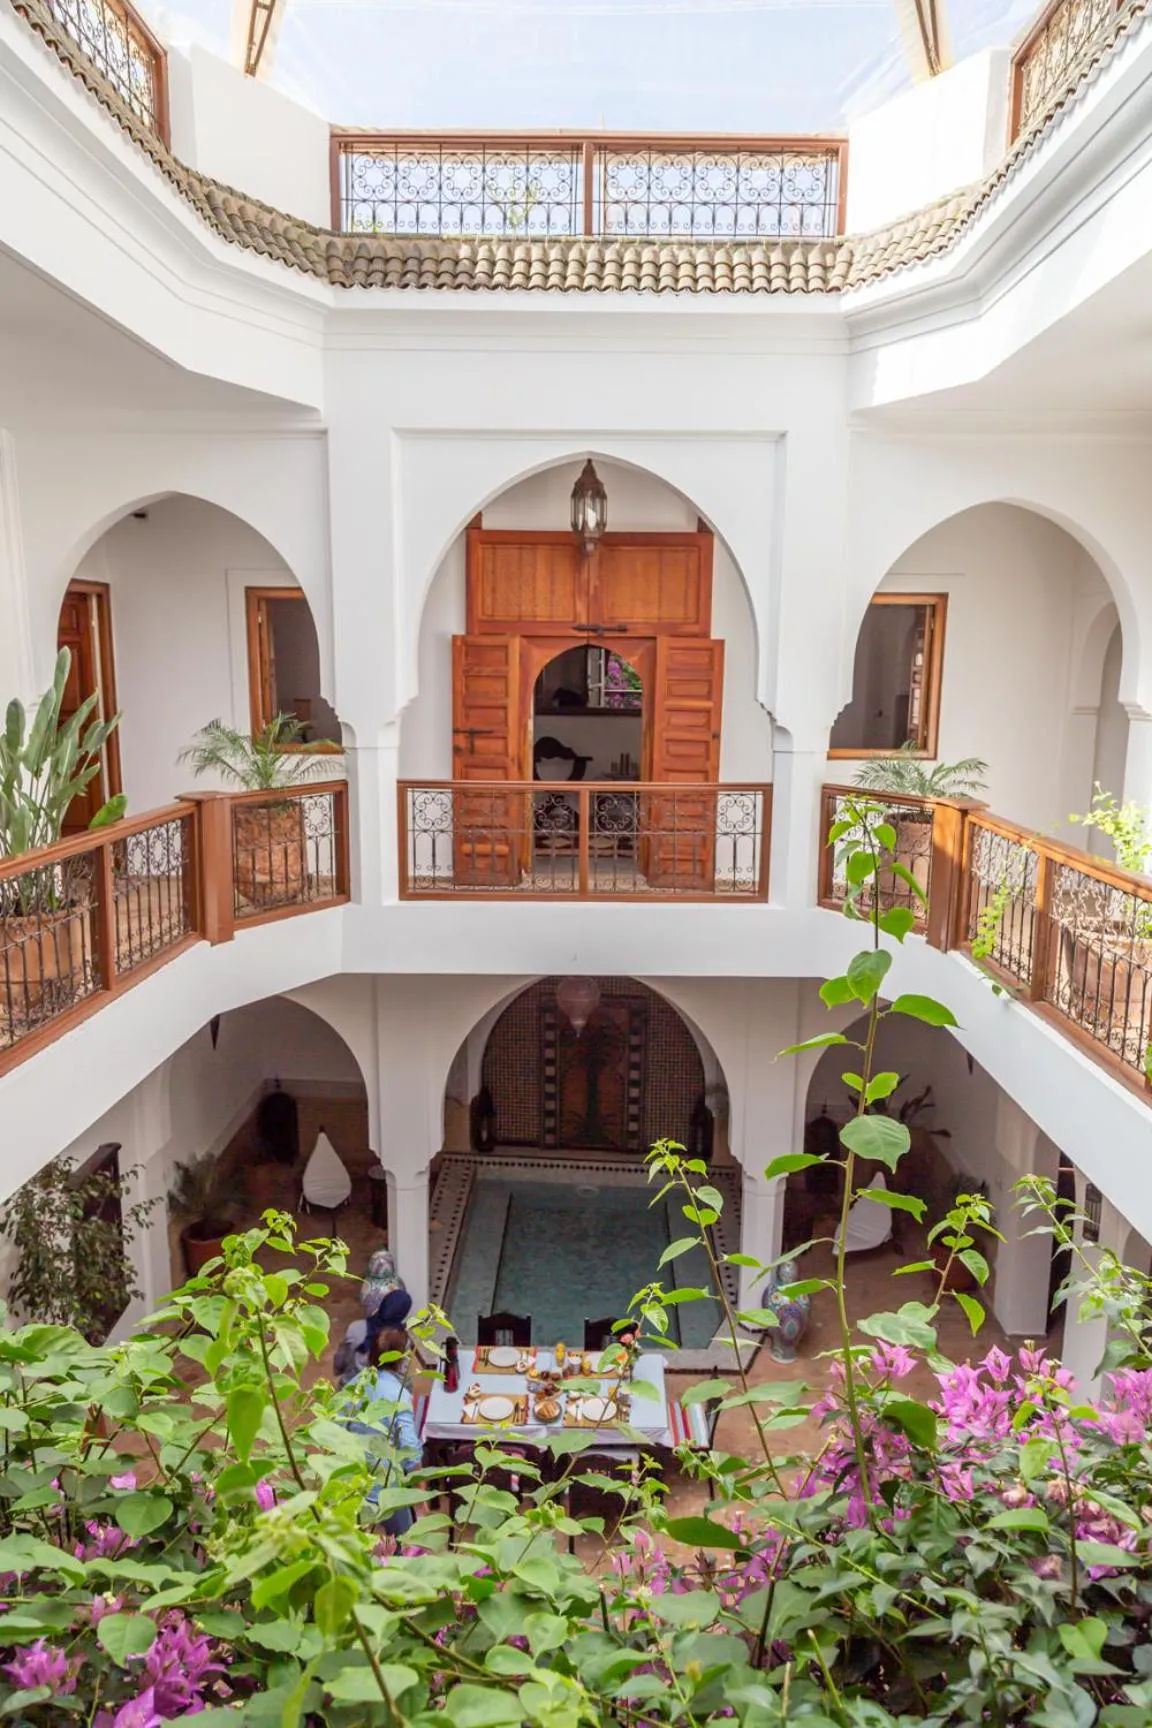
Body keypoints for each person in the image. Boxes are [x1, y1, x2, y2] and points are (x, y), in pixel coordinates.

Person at [347, 1325, 424, 1537]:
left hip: (353, 1482)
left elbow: (336, 1431)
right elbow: (410, 1452)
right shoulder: (398, 1395)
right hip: (385, 1486)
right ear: (400, 1359)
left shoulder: (354, 1385)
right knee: (403, 1543)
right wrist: (420, 1500)